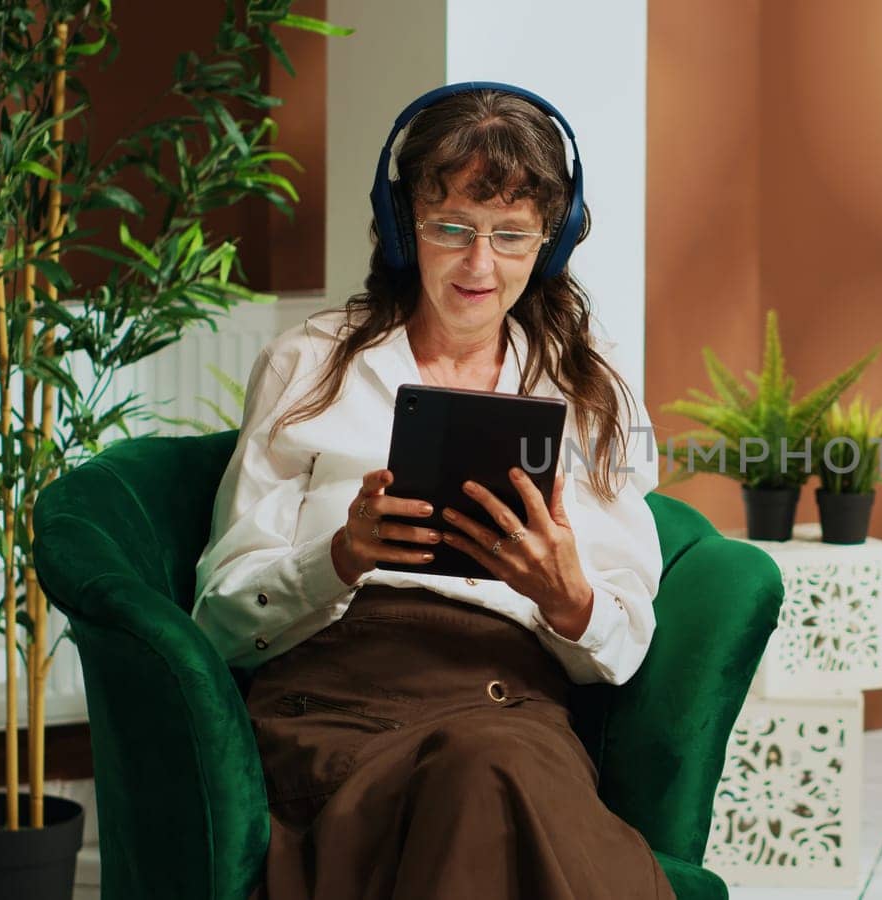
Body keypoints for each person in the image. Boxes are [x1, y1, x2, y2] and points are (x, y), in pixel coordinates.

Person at [192, 83, 675, 900]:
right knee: (491, 775)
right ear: (402, 224)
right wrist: (338, 557)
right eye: (451, 227)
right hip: (335, 709)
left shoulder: (591, 392)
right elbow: (221, 618)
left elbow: (624, 644)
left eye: (510, 235)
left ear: (549, 246)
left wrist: (569, 598)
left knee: (492, 762)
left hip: (509, 706)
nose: (479, 263)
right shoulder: (306, 367)